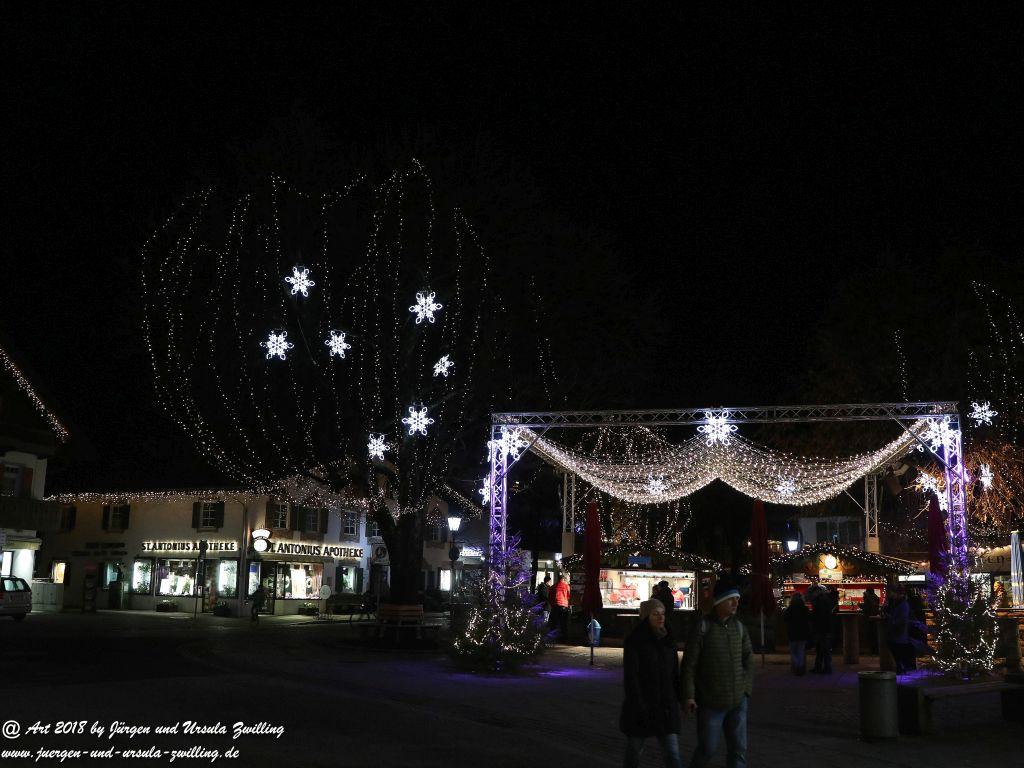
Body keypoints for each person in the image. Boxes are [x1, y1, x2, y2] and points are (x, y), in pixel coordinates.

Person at [681, 581, 753, 768]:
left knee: (738, 750)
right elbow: (690, 664)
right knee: (707, 749)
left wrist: (746, 689)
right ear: (719, 602)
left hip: (738, 701)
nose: (735, 603)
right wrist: (689, 695)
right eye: (731, 600)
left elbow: (748, 660)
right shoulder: (703, 628)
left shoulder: (739, 628)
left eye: (737, 599)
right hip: (711, 702)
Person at [620, 599, 684, 768]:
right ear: (646, 616)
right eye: (655, 613)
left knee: (673, 754)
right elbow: (631, 677)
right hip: (643, 706)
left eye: (662, 613)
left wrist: (681, 698)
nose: (660, 617)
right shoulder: (636, 641)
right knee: (634, 751)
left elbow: (674, 674)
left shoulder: (669, 640)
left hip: (666, 707)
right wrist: (638, 704)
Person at [885, 586, 915, 673]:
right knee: (896, 647)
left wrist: (892, 621)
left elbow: (902, 618)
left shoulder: (902, 604)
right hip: (899, 630)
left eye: (893, 593)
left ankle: (901, 667)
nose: (891, 594)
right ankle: (900, 666)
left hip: (899, 630)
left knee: (896, 647)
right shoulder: (898, 602)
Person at [782, 593, 811, 675]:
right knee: (801, 650)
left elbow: (785, 618)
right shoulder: (804, 608)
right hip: (802, 633)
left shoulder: (790, 609)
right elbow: (809, 618)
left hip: (792, 632)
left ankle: (796, 665)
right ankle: (800, 666)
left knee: (793, 651)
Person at [810, 585, 835, 674]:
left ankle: (823, 668)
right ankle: (822, 667)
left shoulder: (819, 601)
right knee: (823, 649)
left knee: (822, 649)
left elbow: (819, 616)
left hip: (822, 628)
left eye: (814, 592)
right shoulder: (825, 600)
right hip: (825, 628)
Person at [549, 572, 571, 643]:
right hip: (564, 606)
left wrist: (552, 604)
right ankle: (564, 639)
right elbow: (568, 596)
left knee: (554, 623)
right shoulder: (566, 586)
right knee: (564, 624)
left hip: (555, 606)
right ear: (564, 579)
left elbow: (550, 597)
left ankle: (553, 638)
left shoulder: (553, 586)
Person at [861, 587, 880, 654]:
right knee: (874, 635)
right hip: (874, 617)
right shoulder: (876, 597)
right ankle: (875, 650)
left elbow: (866, 608)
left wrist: (860, 605)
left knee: (871, 635)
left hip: (869, 618)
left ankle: (873, 650)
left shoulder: (868, 598)